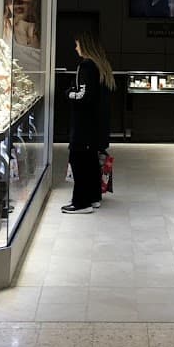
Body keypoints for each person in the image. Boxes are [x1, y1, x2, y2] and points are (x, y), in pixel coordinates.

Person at [64, 31, 115, 213]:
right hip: (96, 126)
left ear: (85, 47)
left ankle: (81, 202)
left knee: (79, 161)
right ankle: (94, 197)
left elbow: (82, 95)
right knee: (91, 162)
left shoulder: (86, 67)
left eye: (77, 44)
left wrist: (68, 93)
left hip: (84, 126)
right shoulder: (102, 67)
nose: (75, 48)